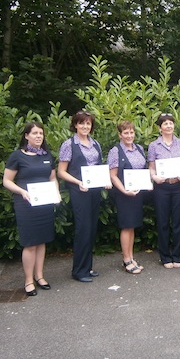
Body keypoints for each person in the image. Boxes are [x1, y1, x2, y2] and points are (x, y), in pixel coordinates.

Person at [3, 122, 60, 296]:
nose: (38, 136)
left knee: (42, 241)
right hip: (26, 204)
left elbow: (52, 178)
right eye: (34, 133)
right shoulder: (17, 156)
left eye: (41, 133)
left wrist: (56, 193)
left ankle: (40, 276)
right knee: (30, 243)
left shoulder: (47, 156)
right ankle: (28, 281)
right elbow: (6, 181)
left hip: (44, 203)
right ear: (26, 136)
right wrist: (22, 191)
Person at [58, 110, 112, 282]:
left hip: (94, 191)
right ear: (75, 124)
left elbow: (97, 168)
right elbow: (61, 172)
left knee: (91, 229)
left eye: (88, 123)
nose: (85, 126)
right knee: (82, 229)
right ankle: (79, 271)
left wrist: (105, 180)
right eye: (81, 123)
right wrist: (77, 182)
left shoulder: (95, 143)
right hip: (79, 191)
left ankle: (87, 268)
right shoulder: (69, 144)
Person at [148, 113, 180, 268]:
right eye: (165, 124)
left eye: (171, 123)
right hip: (162, 187)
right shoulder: (153, 146)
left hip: (179, 186)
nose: (168, 126)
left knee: (179, 221)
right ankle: (165, 257)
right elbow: (151, 167)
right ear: (160, 128)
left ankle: (178, 256)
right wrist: (154, 177)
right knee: (163, 222)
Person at [108, 121, 147, 274]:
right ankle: (126, 259)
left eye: (131, 132)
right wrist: (124, 191)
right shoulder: (115, 151)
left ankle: (131, 257)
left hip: (137, 194)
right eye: (126, 133)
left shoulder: (139, 149)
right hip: (124, 195)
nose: (129, 135)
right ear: (120, 135)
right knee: (126, 226)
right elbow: (113, 176)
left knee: (132, 226)